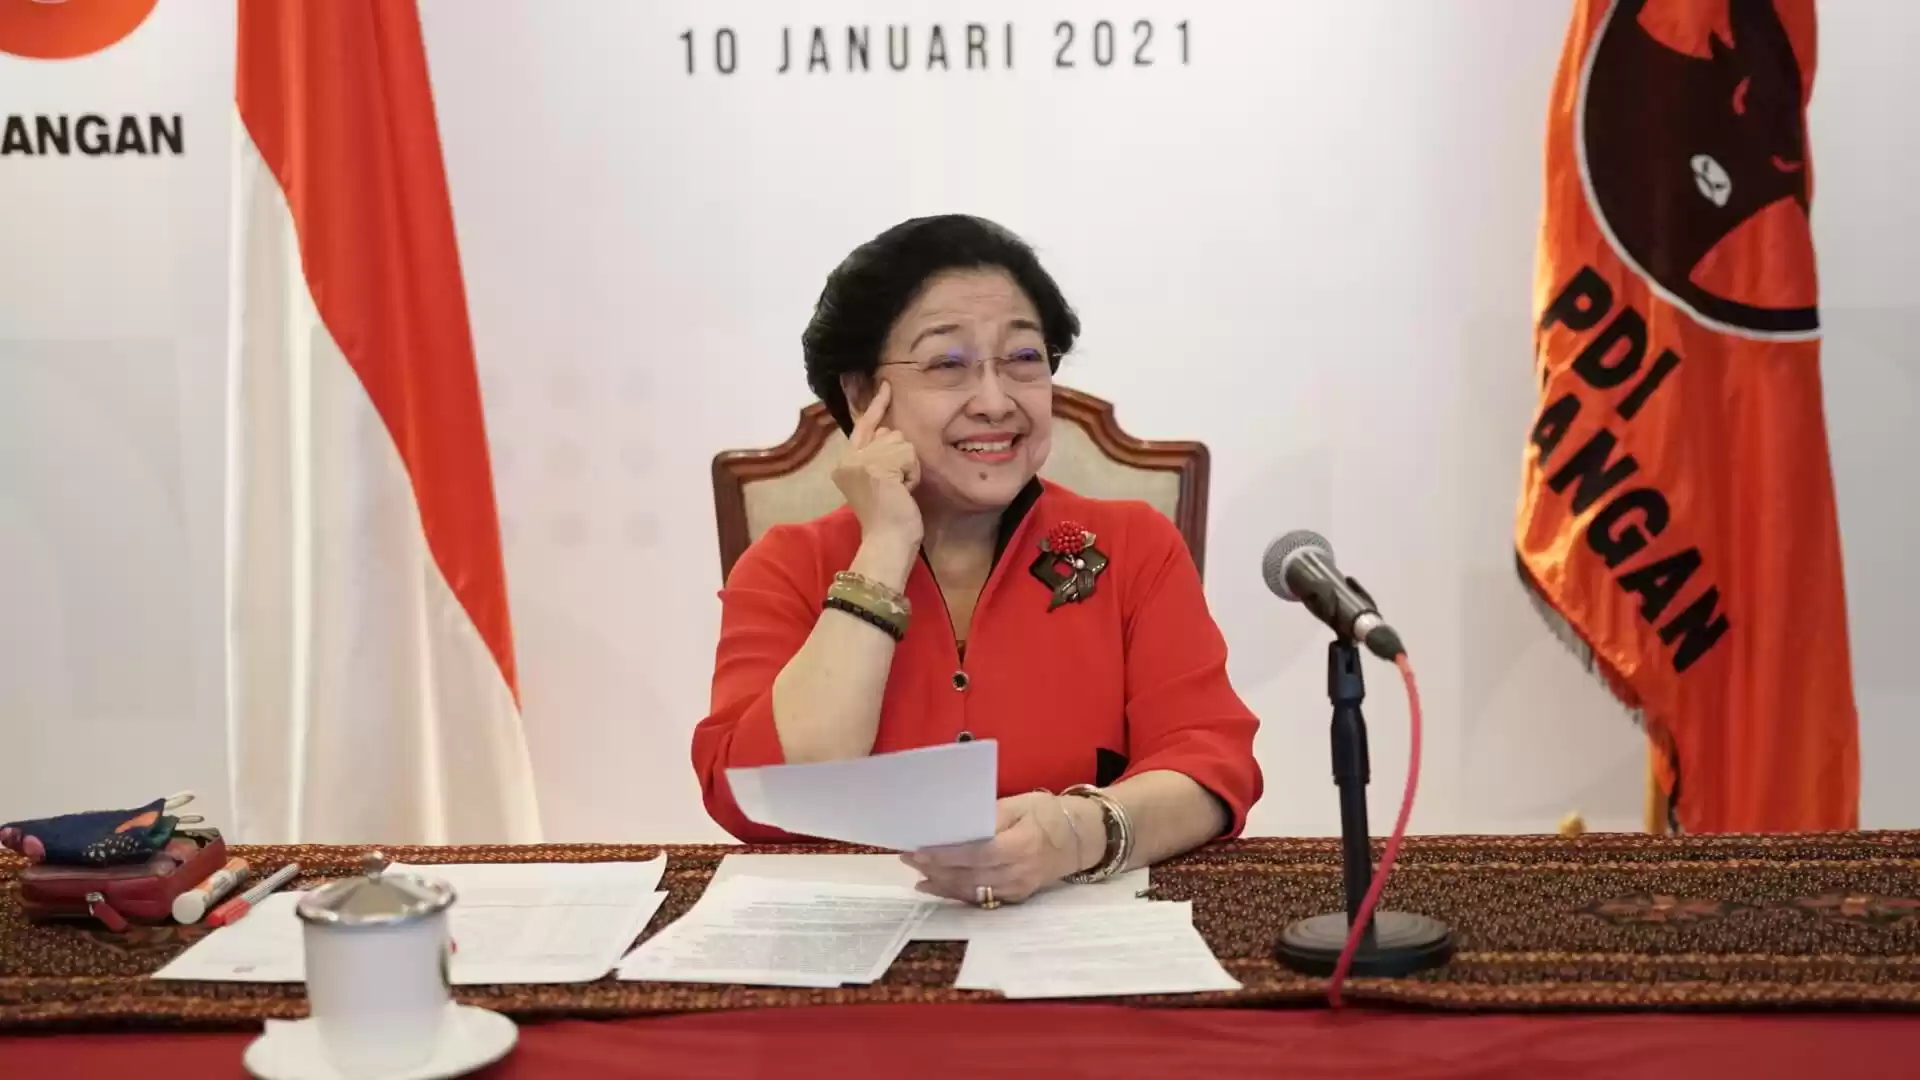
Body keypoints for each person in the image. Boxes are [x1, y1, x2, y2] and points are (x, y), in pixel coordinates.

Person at [692, 214, 1262, 907]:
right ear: (865, 395)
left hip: (1076, 933)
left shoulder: (1132, 545)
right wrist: (884, 546)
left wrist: (1077, 835)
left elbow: (1212, 765)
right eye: (947, 364)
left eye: (1023, 358)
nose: (995, 402)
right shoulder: (788, 564)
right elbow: (759, 796)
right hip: (854, 943)